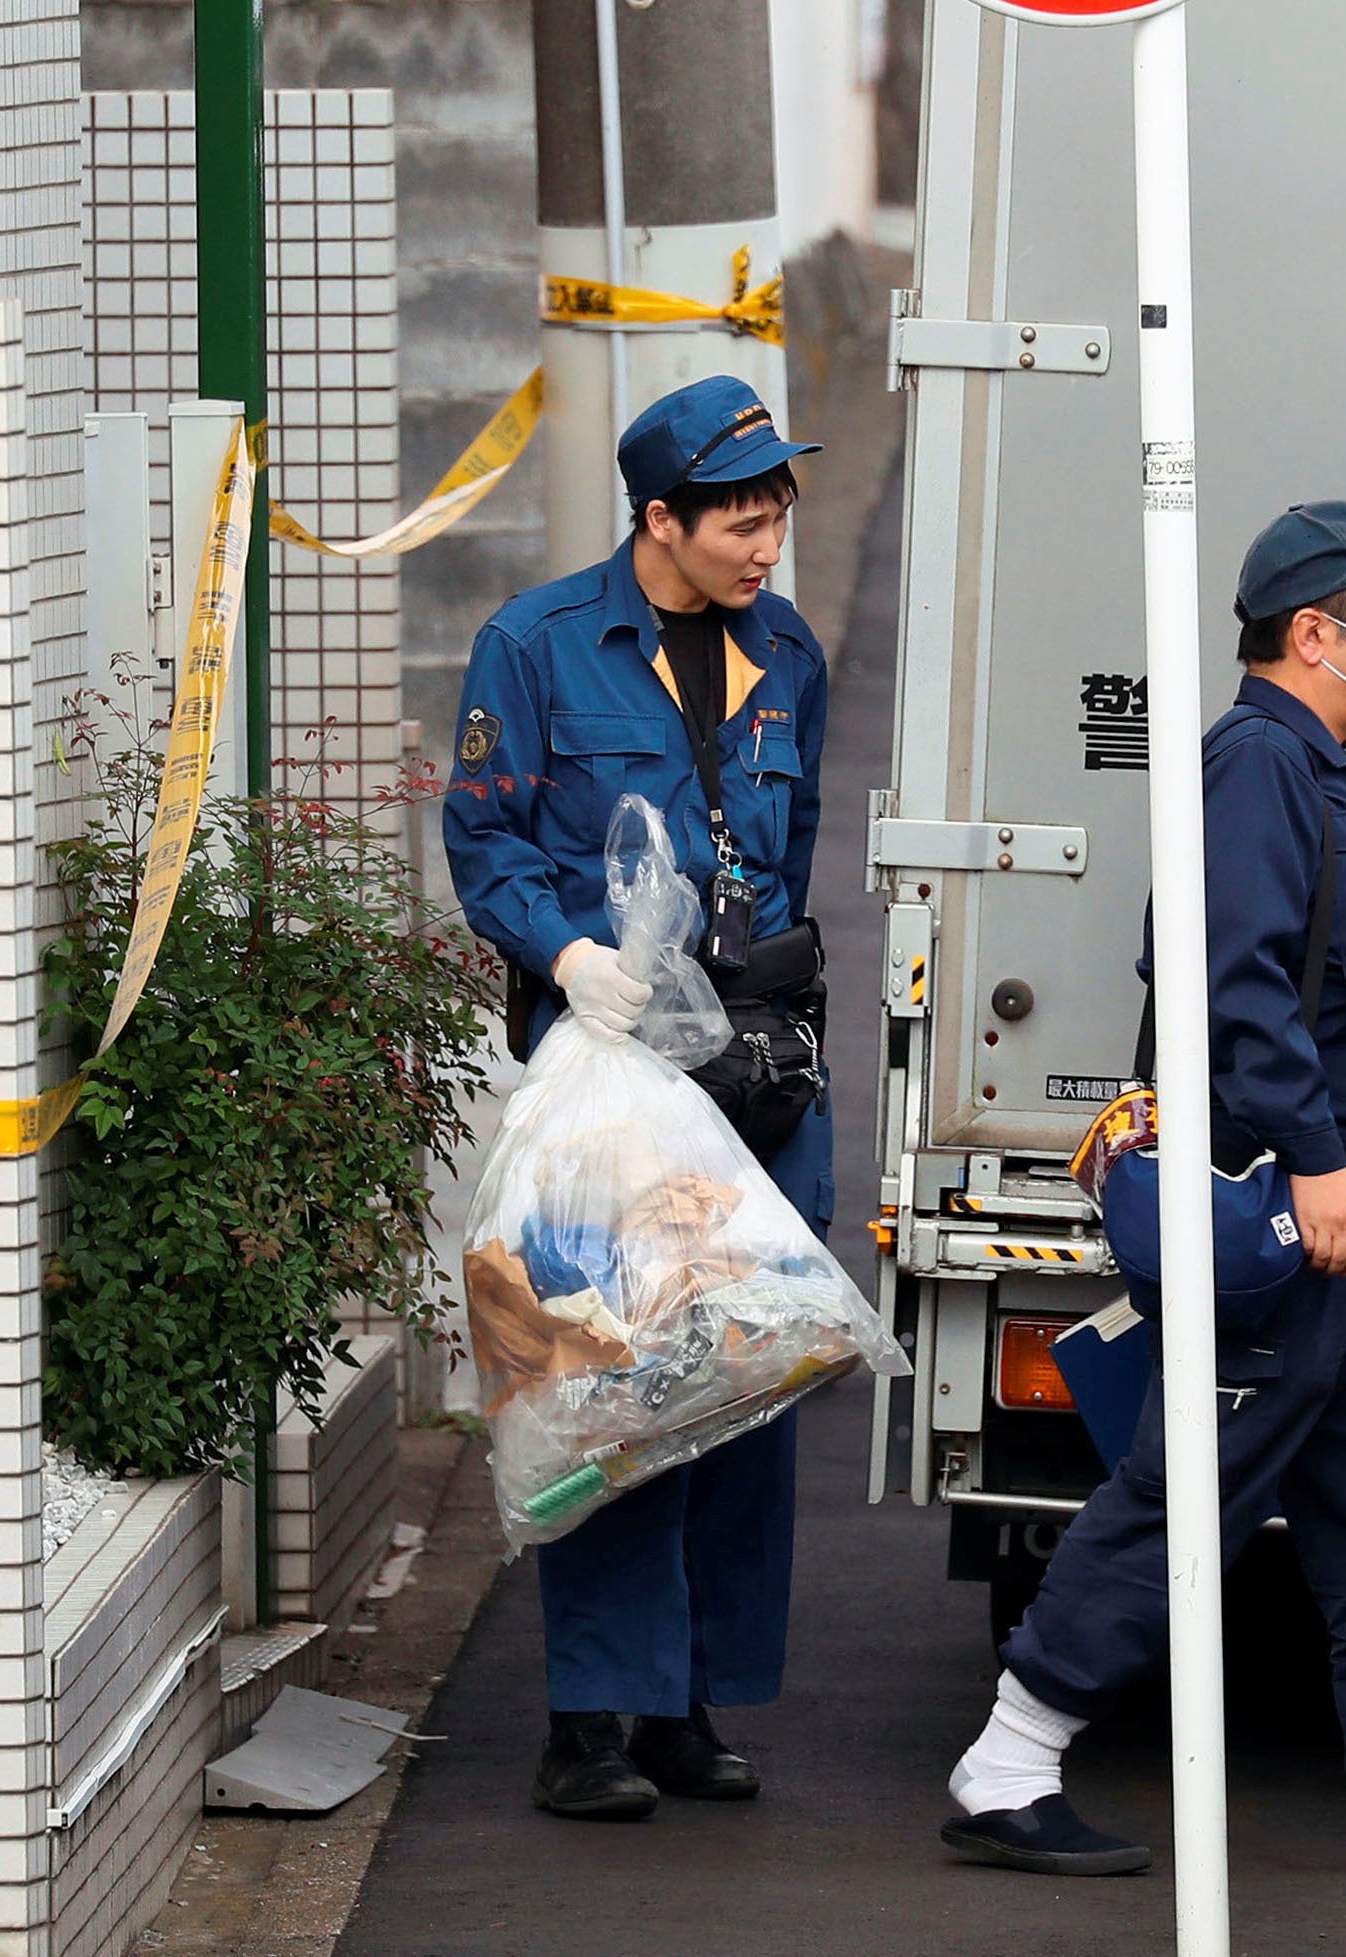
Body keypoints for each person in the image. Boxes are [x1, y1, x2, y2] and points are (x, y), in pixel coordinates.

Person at [939, 502, 1346, 1880]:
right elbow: (1225, 981)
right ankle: (1009, 1757)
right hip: (1290, 1198)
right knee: (1198, 1485)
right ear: (1315, 631)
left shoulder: (1317, 771)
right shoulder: (1254, 765)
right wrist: (1310, 1158)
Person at [444, 374, 834, 1821]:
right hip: (617, 1067)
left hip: (758, 1062)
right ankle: (589, 1718)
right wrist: (568, 952)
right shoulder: (537, 644)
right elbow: (483, 838)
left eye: (779, 511)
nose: (766, 541)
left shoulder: (782, 645)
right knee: (611, 1377)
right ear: (658, 519)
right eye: (740, 517)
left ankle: (689, 1701)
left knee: (749, 1371)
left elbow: (778, 853)